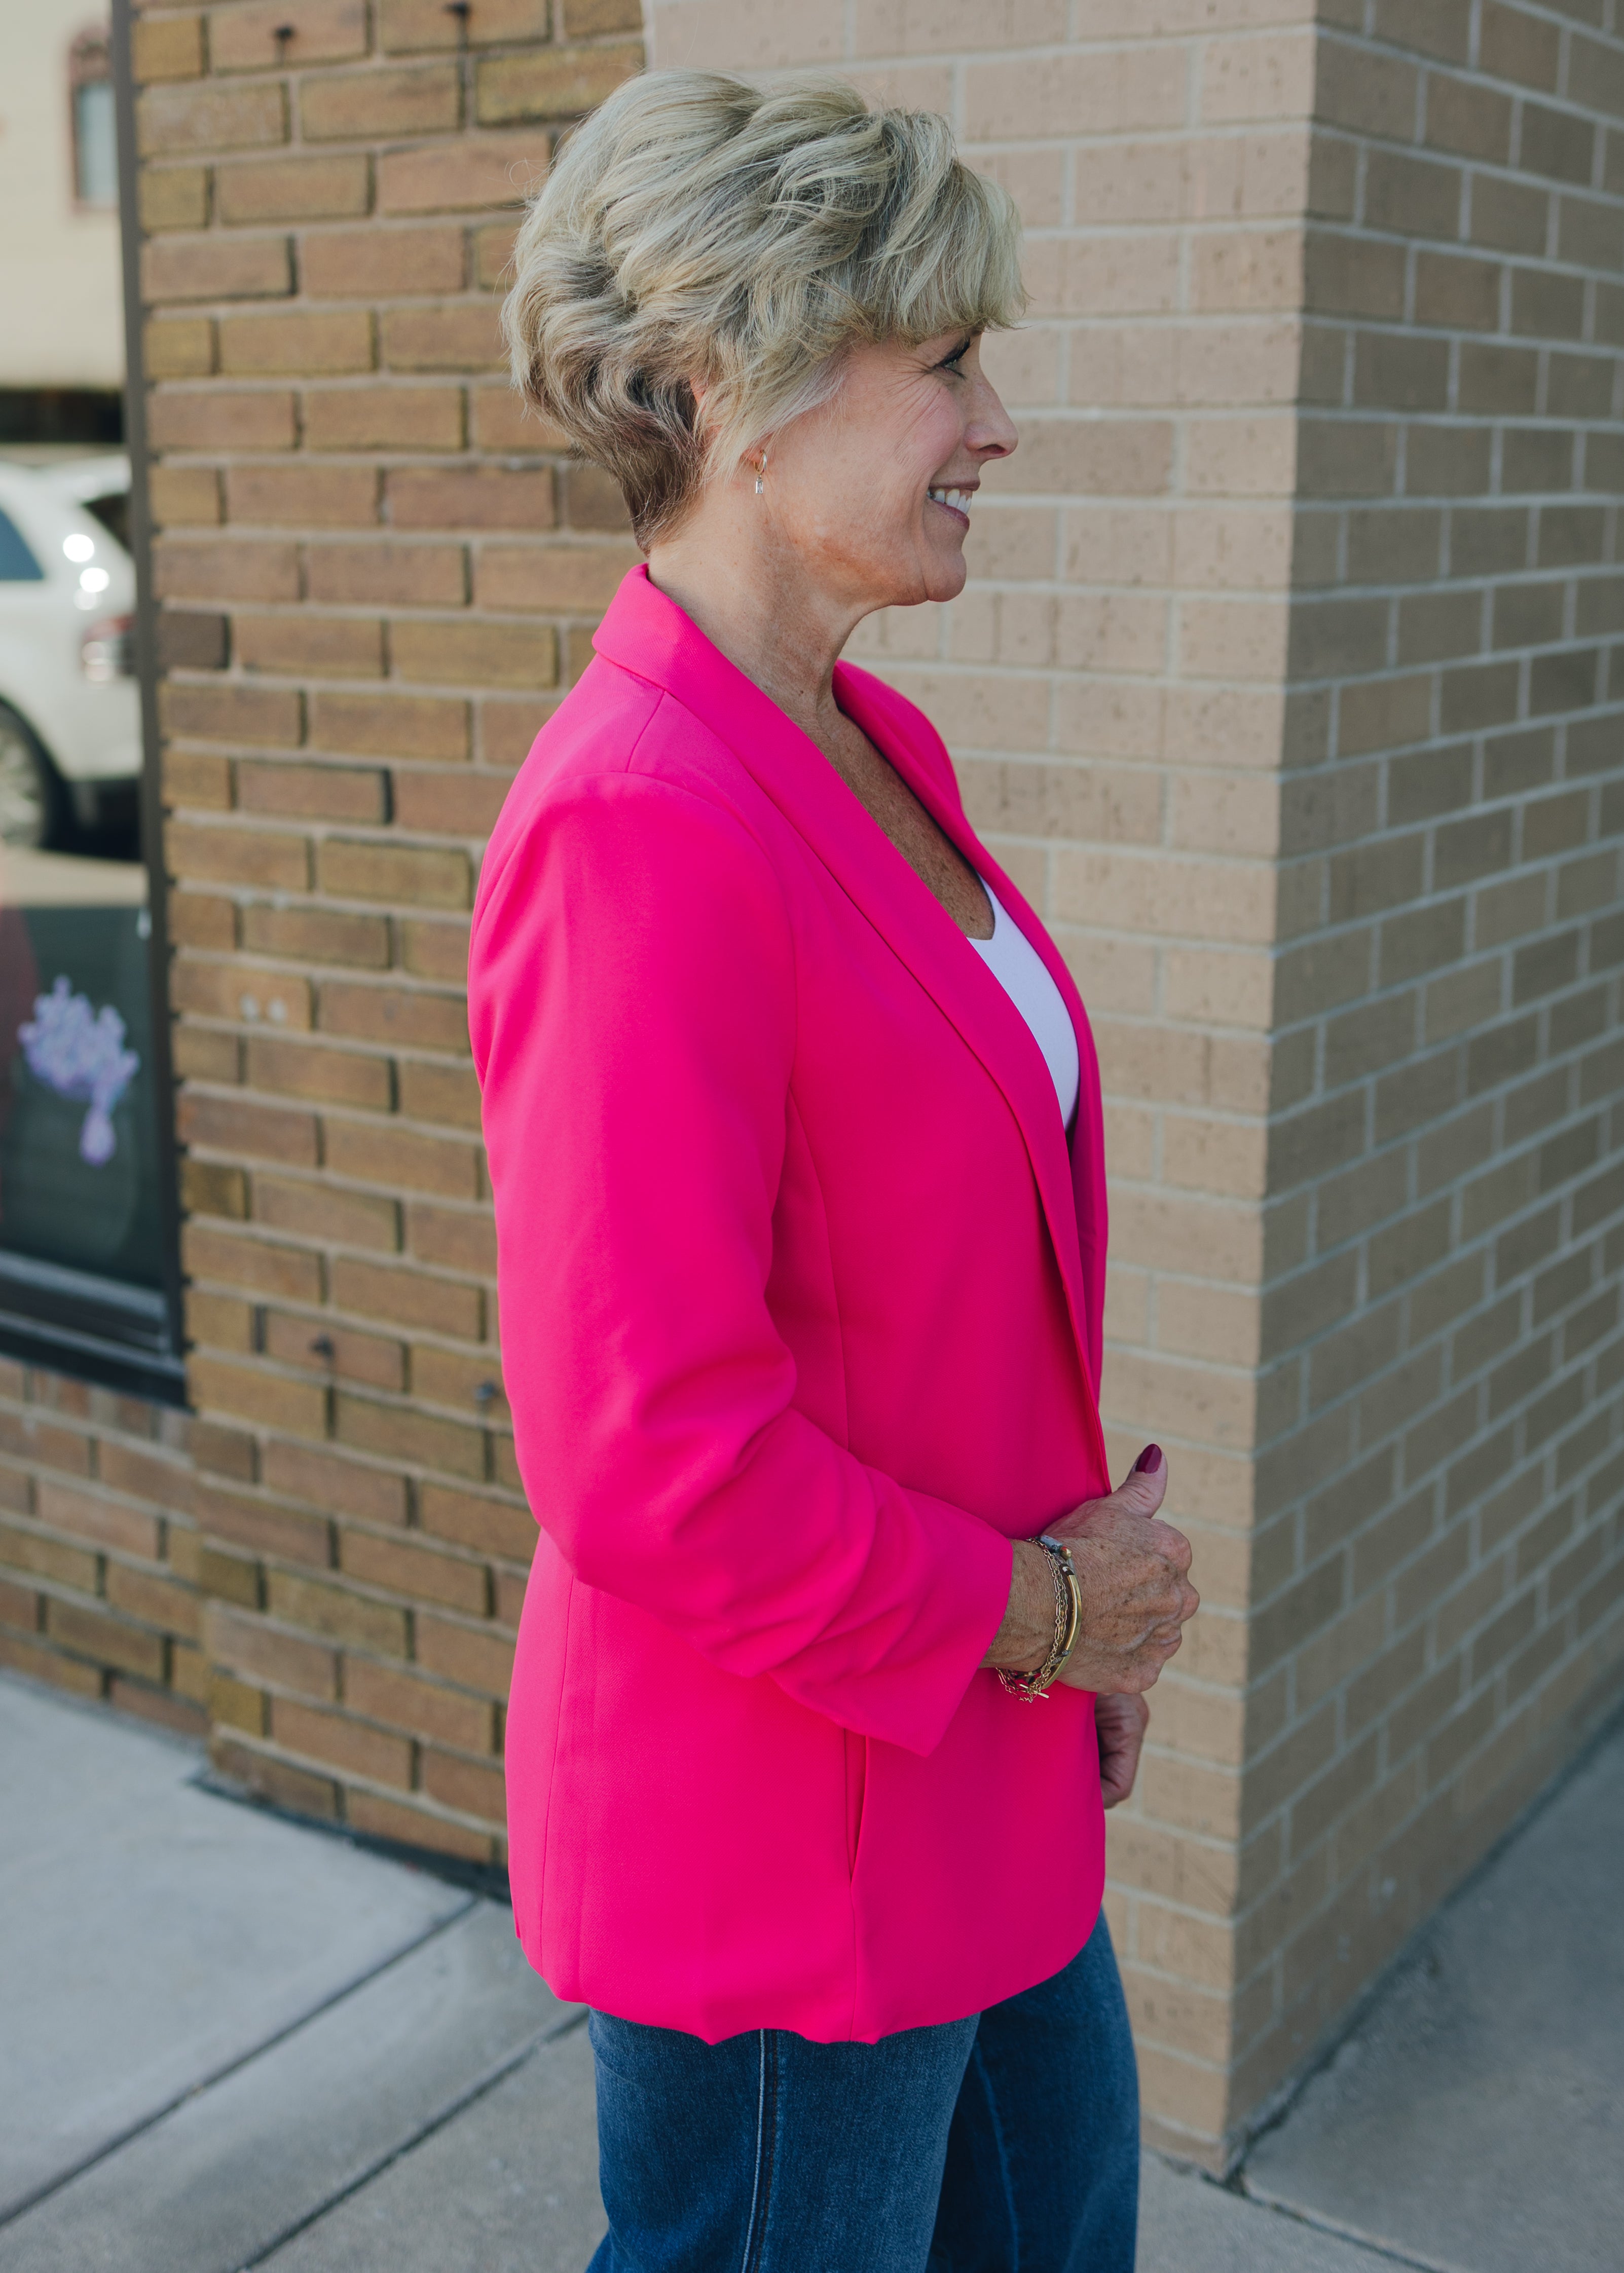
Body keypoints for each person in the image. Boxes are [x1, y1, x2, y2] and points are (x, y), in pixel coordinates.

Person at [469, 69, 1200, 2273]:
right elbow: (654, 1460)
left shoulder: (878, 743)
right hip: (790, 1845)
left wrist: (1068, 1621)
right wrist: (1043, 1611)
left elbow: (947, 1270)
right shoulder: (640, 827)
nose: (997, 423)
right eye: (948, 362)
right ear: (733, 390)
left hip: (977, 1761)